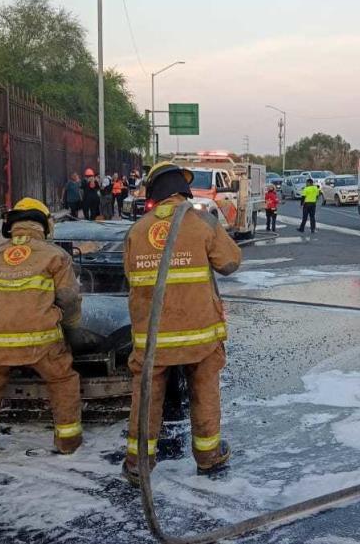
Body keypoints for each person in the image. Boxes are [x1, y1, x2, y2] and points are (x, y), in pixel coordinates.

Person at [121, 161, 242, 485]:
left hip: (153, 338)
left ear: (154, 192)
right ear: (183, 189)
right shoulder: (202, 222)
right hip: (199, 333)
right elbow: (231, 263)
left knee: (146, 399)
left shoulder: (137, 230)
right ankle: (208, 457)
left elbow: (130, 277)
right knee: (204, 393)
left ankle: (137, 464)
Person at [0, 198, 84, 461]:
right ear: (44, 226)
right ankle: (68, 441)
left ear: (11, 227)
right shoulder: (55, 256)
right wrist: (72, 329)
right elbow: (68, 299)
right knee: (62, 380)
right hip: (40, 343)